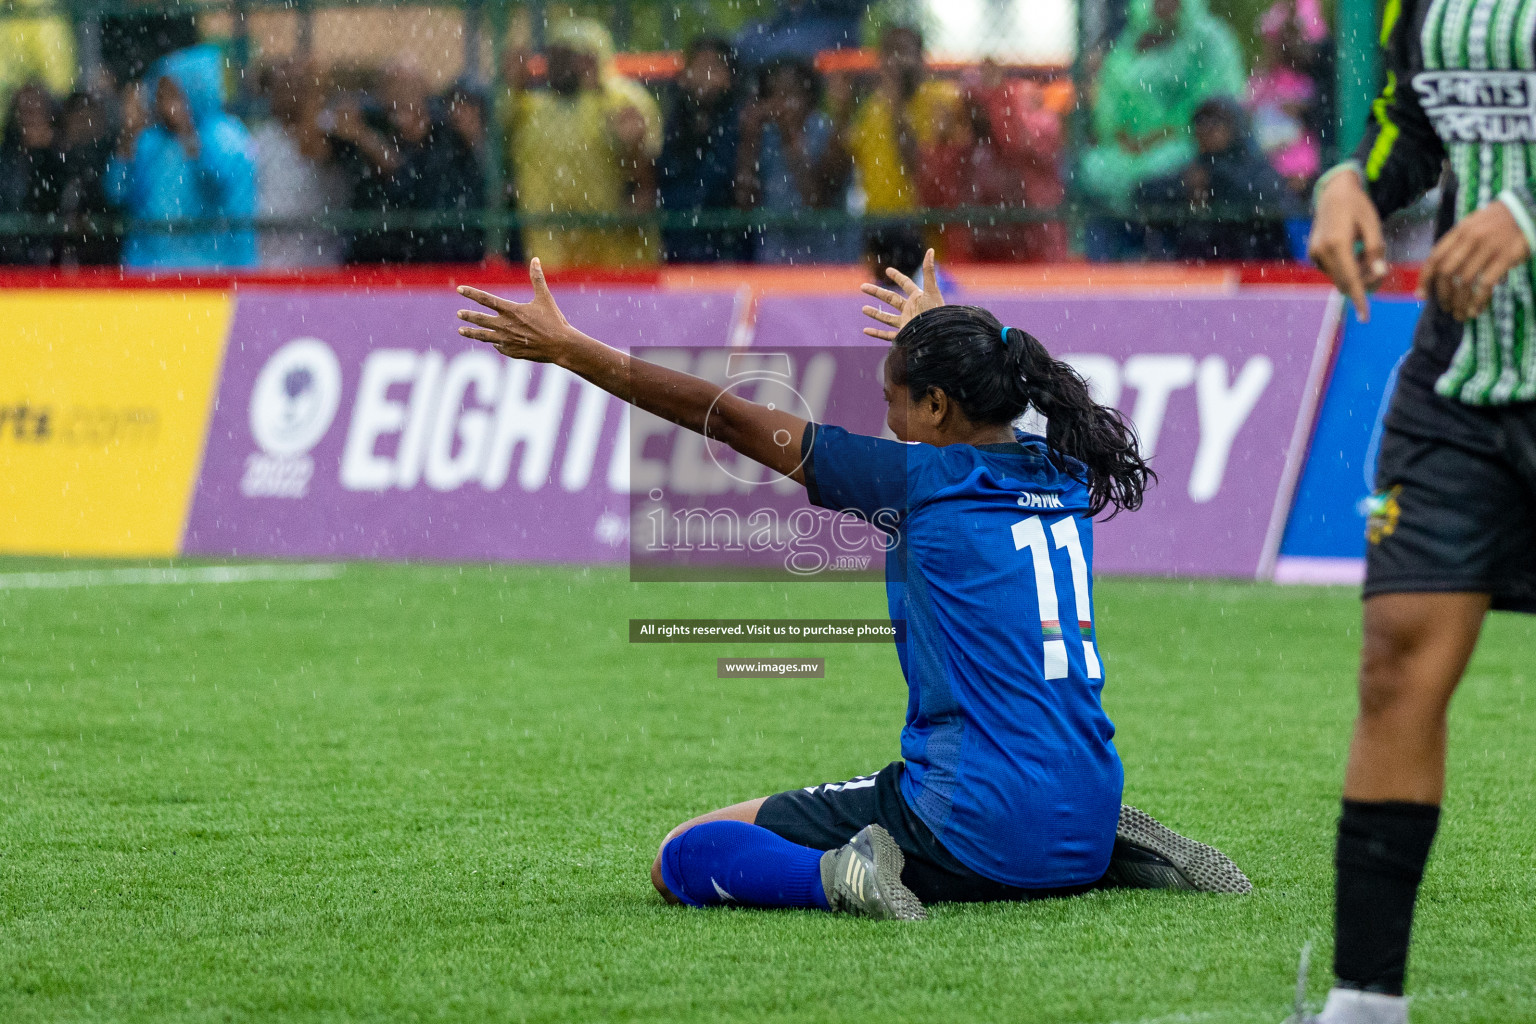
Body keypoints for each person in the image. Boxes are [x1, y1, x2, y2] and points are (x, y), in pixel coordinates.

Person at [453, 252, 1252, 919]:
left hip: (974, 824)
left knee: (684, 854)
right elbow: (988, 392)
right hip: (1084, 803)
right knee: (1028, 788)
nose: (890, 422)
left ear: (938, 404)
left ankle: (845, 878)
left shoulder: (918, 478)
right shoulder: (1065, 470)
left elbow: (728, 418)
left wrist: (571, 350)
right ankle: (1102, 845)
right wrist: (946, 332)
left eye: (897, 401)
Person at [1295, 1, 1536, 1021]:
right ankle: (1365, 1005)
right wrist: (1348, 180)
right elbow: (1414, 118)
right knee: (1396, 658)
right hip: (1460, 378)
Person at [1078, 0, 1245, 260]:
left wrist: (1167, 132)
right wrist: (1123, 137)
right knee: (1092, 171)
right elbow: (1110, 108)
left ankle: (1162, 256)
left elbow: (1217, 105)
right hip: (1128, 154)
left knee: (1162, 185)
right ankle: (1103, 269)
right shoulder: (1130, 42)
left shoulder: (1210, 41)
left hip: (1187, 147)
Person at [499, 18, 662, 269]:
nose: (560, 63)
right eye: (555, 55)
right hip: (549, 250)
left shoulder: (621, 100)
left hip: (612, 253)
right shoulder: (532, 108)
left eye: (571, 55)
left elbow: (645, 171)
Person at [106, 44, 258, 270]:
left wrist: (189, 134)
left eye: (175, 94)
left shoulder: (227, 137)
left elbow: (230, 200)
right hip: (148, 269)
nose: (166, 105)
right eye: (161, 94)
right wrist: (128, 136)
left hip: (212, 271)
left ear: (195, 90)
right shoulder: (150, 141)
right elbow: (117, 193)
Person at [829, 25, 962, 257]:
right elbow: (840, 170)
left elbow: (922, 171)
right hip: (881, 236)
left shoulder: (942, 100)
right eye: (889, 53)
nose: (896, 62)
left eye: (903, 51)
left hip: (926, 239)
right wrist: (841, 114)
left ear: (921, 58)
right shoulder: (873, 107)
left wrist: (897, 105)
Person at [330, 62, 483, 264]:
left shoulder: (445, 136)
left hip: (442, 255)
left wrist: (364, 137)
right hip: (375, 256)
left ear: (424, 93)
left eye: (408, 88)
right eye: (392, 88)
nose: (400, 97)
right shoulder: (374, 125)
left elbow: (403, 175)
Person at [1136, 97, 1297, 262]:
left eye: (1216, 122)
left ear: (1235, 126)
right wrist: (1185, 187)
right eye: (1200, 121)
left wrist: (1216, 181)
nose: (1206, 129)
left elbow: (1274, 200)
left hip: (1254, 263)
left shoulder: (1254, 165)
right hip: (1199, 266)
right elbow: (1142, 191)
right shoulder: (1197, 167)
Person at [735, 57, 854, 265]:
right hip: (773, 259)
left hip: (825, 260)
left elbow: (816, 201)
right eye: (774, 94)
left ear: (809, 96)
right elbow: (745, 202)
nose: (782, 102)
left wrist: (791, 138)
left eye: (790, 92)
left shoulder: (823, 131)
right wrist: (749, 139)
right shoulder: (764, 136)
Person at [251, 60, 348, 269]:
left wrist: (315, 86)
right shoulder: (263, 136)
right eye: (276, 87)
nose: (280, 94)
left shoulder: (328, 126)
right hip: (269, 264)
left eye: (292, 85)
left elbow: (311, 148)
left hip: (317, 263)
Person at [657, 36, 745, 263]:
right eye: (697, 67)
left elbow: (740, 193)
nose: (705, 76)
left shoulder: (742, 124)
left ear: (731, 77)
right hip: (677, 248)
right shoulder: (673, 123)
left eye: (714, 67)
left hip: (728, 250)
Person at [1246, 0, 1328, 195]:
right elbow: (1248, 107)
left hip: (1300, 165)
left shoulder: (1310, 78)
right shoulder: (1262, 78)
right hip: (1265, 164)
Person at [55, 89, 121, 267]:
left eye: (89, 118)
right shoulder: (53, 163)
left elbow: (115, 199)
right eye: (78, 118)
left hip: (103, 263)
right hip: (56, 263)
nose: (84, 126)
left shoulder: (110, 159)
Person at [0, 79, 62, 266]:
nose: (31, 118)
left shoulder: (60, 155)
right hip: (9, 254)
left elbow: (58, 201)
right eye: (25, 111)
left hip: (49, 257)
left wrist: (46, 153)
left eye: (36, 110)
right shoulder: (6, 155)